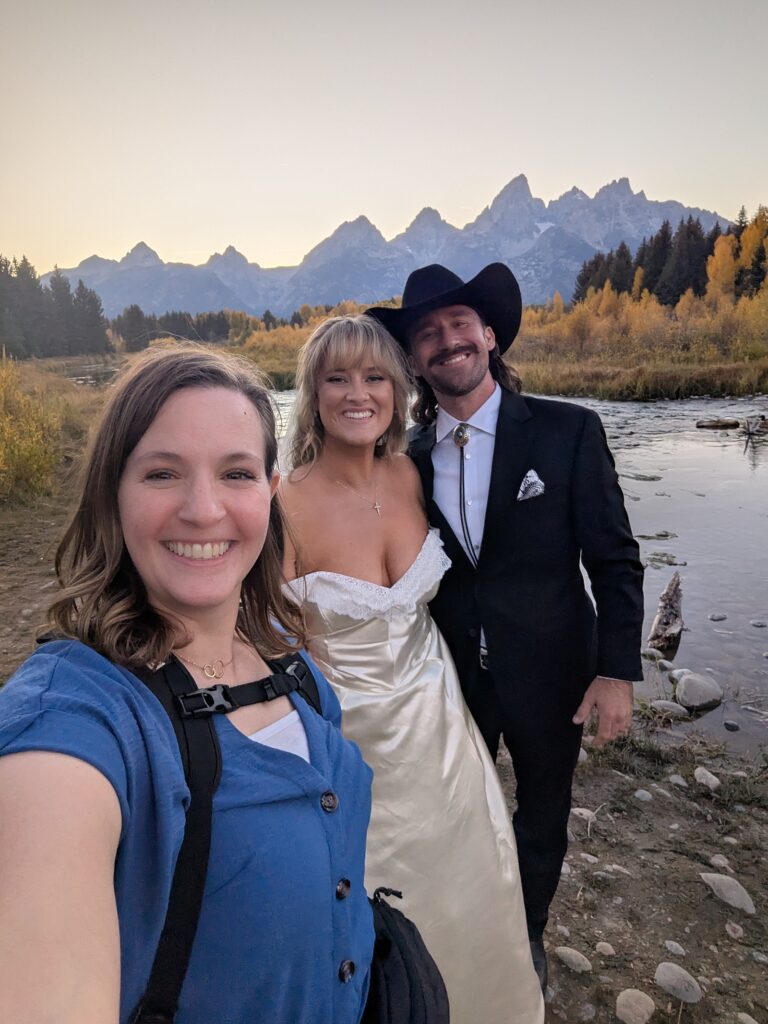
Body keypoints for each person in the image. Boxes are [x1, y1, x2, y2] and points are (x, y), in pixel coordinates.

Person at [0, 346, 374, 1024]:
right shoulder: (75, 717)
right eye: (163, 473)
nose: (204, 510)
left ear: (270, 490)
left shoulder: (293, 667)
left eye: (236, 472)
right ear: (113, 495)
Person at [367, 262, 645, 986]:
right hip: (451, 676)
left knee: (542, 813)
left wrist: (617, 673)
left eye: (460, 324)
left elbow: (615, 560)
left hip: (556, 670)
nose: (446, 341)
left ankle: (527, 935)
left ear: (489, 336)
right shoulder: (407, 462)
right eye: (427, 333)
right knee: (457, 810)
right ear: (415, 361)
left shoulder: (568, 431)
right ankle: (465, 930)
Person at [280, 314, 545, 1024]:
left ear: (399, 390)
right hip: (356, 741)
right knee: (383, 903)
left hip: (442, 722)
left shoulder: (409, 471)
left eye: (374, 377)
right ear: (312, 393)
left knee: (472, 882)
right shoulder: (285, 503)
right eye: (337, 378)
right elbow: (276, 645)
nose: (357, 393)